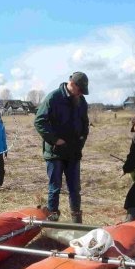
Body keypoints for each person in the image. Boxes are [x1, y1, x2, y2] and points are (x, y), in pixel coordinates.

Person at [33, 72, 90, 223]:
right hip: (55, 153)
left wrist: (81, 141)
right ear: (72, 84)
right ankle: (53, 221)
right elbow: (39, 121)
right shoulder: (53, 98)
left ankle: (77, 223)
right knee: (55, 188)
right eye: (80, 89)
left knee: (75, 189)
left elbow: (85, 124)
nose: (81, 93)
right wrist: (55, 140)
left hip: (73, 153)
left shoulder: (81, 101)